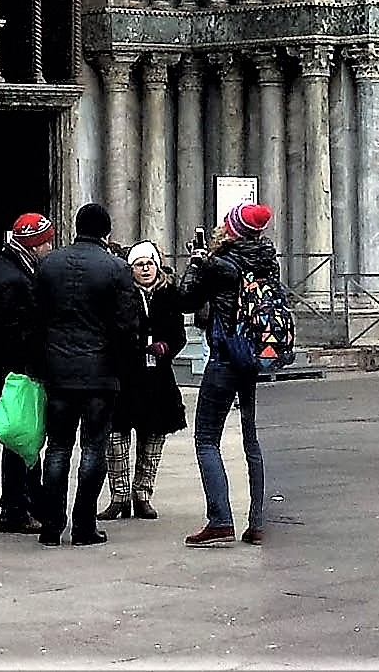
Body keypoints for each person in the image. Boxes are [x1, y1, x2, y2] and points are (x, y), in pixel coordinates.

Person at [28, 201, 143, 546]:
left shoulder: (49, 265)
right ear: (106, 232)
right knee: (94, 448)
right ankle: (83, 526)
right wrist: (127, 368)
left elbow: (34, 321)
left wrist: (39, 364)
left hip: (58, 372)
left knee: (58, 447)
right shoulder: (116, 269)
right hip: (100, 372)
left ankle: (51, 526)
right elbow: (127, 326)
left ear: (75, 227)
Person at [184, 203, 283, 537]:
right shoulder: (268, 259)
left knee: (206, 438)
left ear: (233, 229)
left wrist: (196, 264)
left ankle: (220, 519)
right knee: (253, 442)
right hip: (258, 356)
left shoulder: (221, 265)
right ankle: (257, 523)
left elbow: (186, 299)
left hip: (226, 357)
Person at [0, 211, 49, 533]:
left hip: (16, 371)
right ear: (34, 246)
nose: (50, 248)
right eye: (46, 243)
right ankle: (15, 509)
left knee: (26, 439)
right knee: (20, 441)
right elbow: (10, 332)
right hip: (16, 373)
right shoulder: (11, 277)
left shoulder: (14, 268)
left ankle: (28, 502)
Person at [110, 243, 188, 520]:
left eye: (149, 264)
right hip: (126, 375)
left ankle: (143, 494)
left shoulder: (168, 294)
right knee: (116, 436)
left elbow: (179, 333)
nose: (145, 269)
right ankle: (118, 495)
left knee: (152, 436)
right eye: (139, 265)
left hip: (157, 376)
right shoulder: (122, 294)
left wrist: (167, 347)